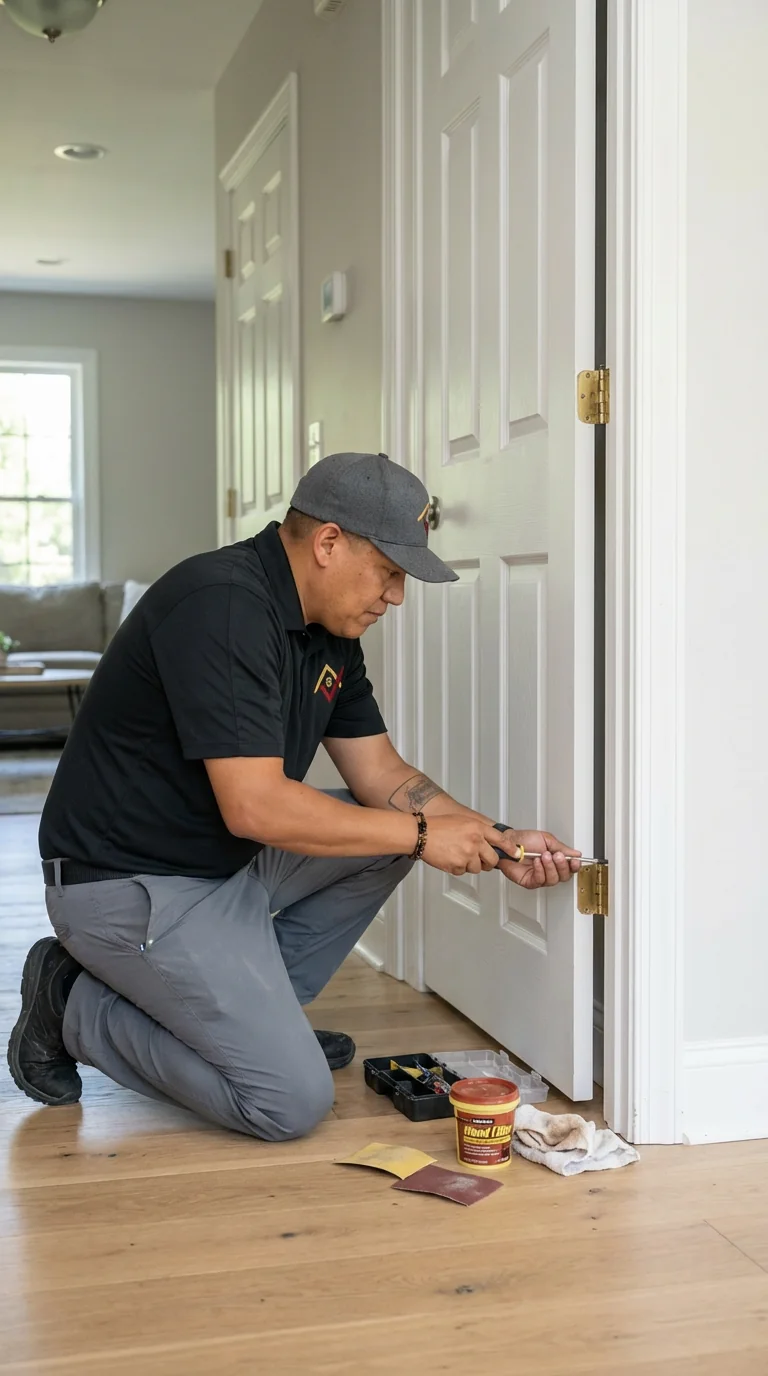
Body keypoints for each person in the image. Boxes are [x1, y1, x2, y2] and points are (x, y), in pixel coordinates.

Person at [8, 452, 580, 1141]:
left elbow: (386, 780)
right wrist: (427, 836)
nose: (395, 596)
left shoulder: (329, 633)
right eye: (391, 573)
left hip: (224, 863)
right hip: (128, 883)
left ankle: (258, 1015)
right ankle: (71, 1001)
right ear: (329, 543)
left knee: (391, 833)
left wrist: (496, 837)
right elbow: (255, 806)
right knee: (288, 1102)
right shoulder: (219, 606)